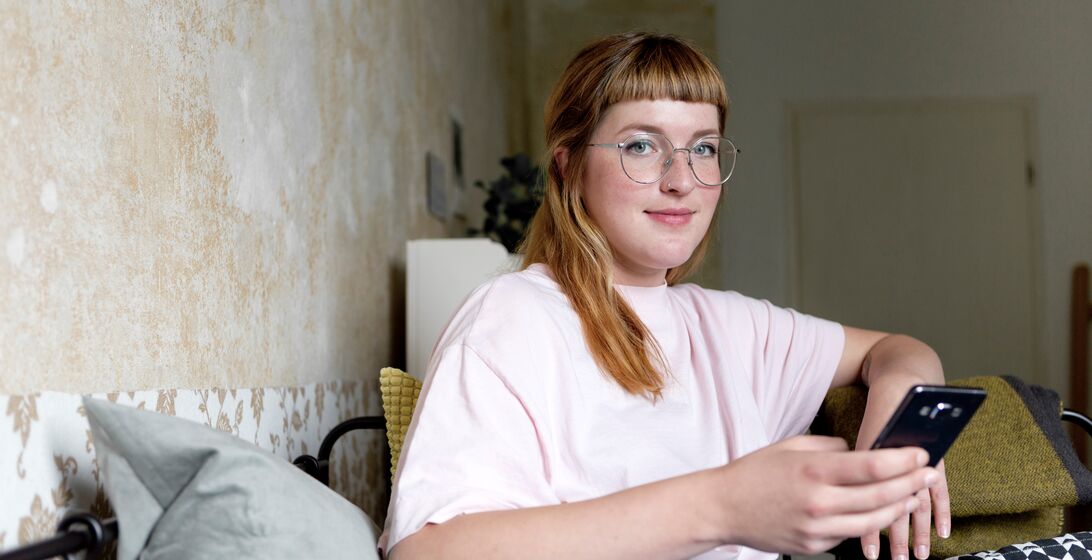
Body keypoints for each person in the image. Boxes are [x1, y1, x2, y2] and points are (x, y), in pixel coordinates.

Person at [380, 32, 948, 560]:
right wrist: (722, 506)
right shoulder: (513, 316)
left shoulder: (728, 326)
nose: (681, 179)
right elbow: (425, 552)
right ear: (569, 165)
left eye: (703, 148)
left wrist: (900, 421)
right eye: (642, 145)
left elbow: (898, 350)